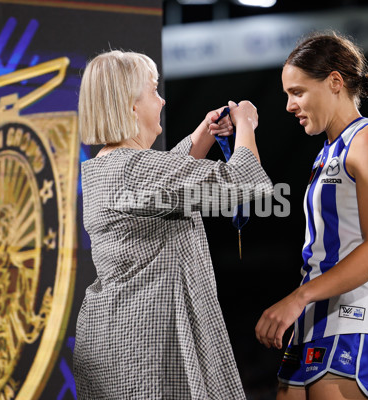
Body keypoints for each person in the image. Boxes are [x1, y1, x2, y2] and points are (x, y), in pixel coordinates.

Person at [74, 50, 272, 399]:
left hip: (120, 341)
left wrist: (205, 135)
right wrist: (246, 125)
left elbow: (162, 188)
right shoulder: (132, 169)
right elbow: (244, 183)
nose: (162, 99)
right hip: (150, 352)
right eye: (153, 90)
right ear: (131, 106)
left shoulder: (106, 167)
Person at [254, 32, 368, 400]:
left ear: (335, 83)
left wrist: (297, 298)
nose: (290, 105)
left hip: (357, 317)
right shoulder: (329, 151)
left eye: (298, 92)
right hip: (314, 319)